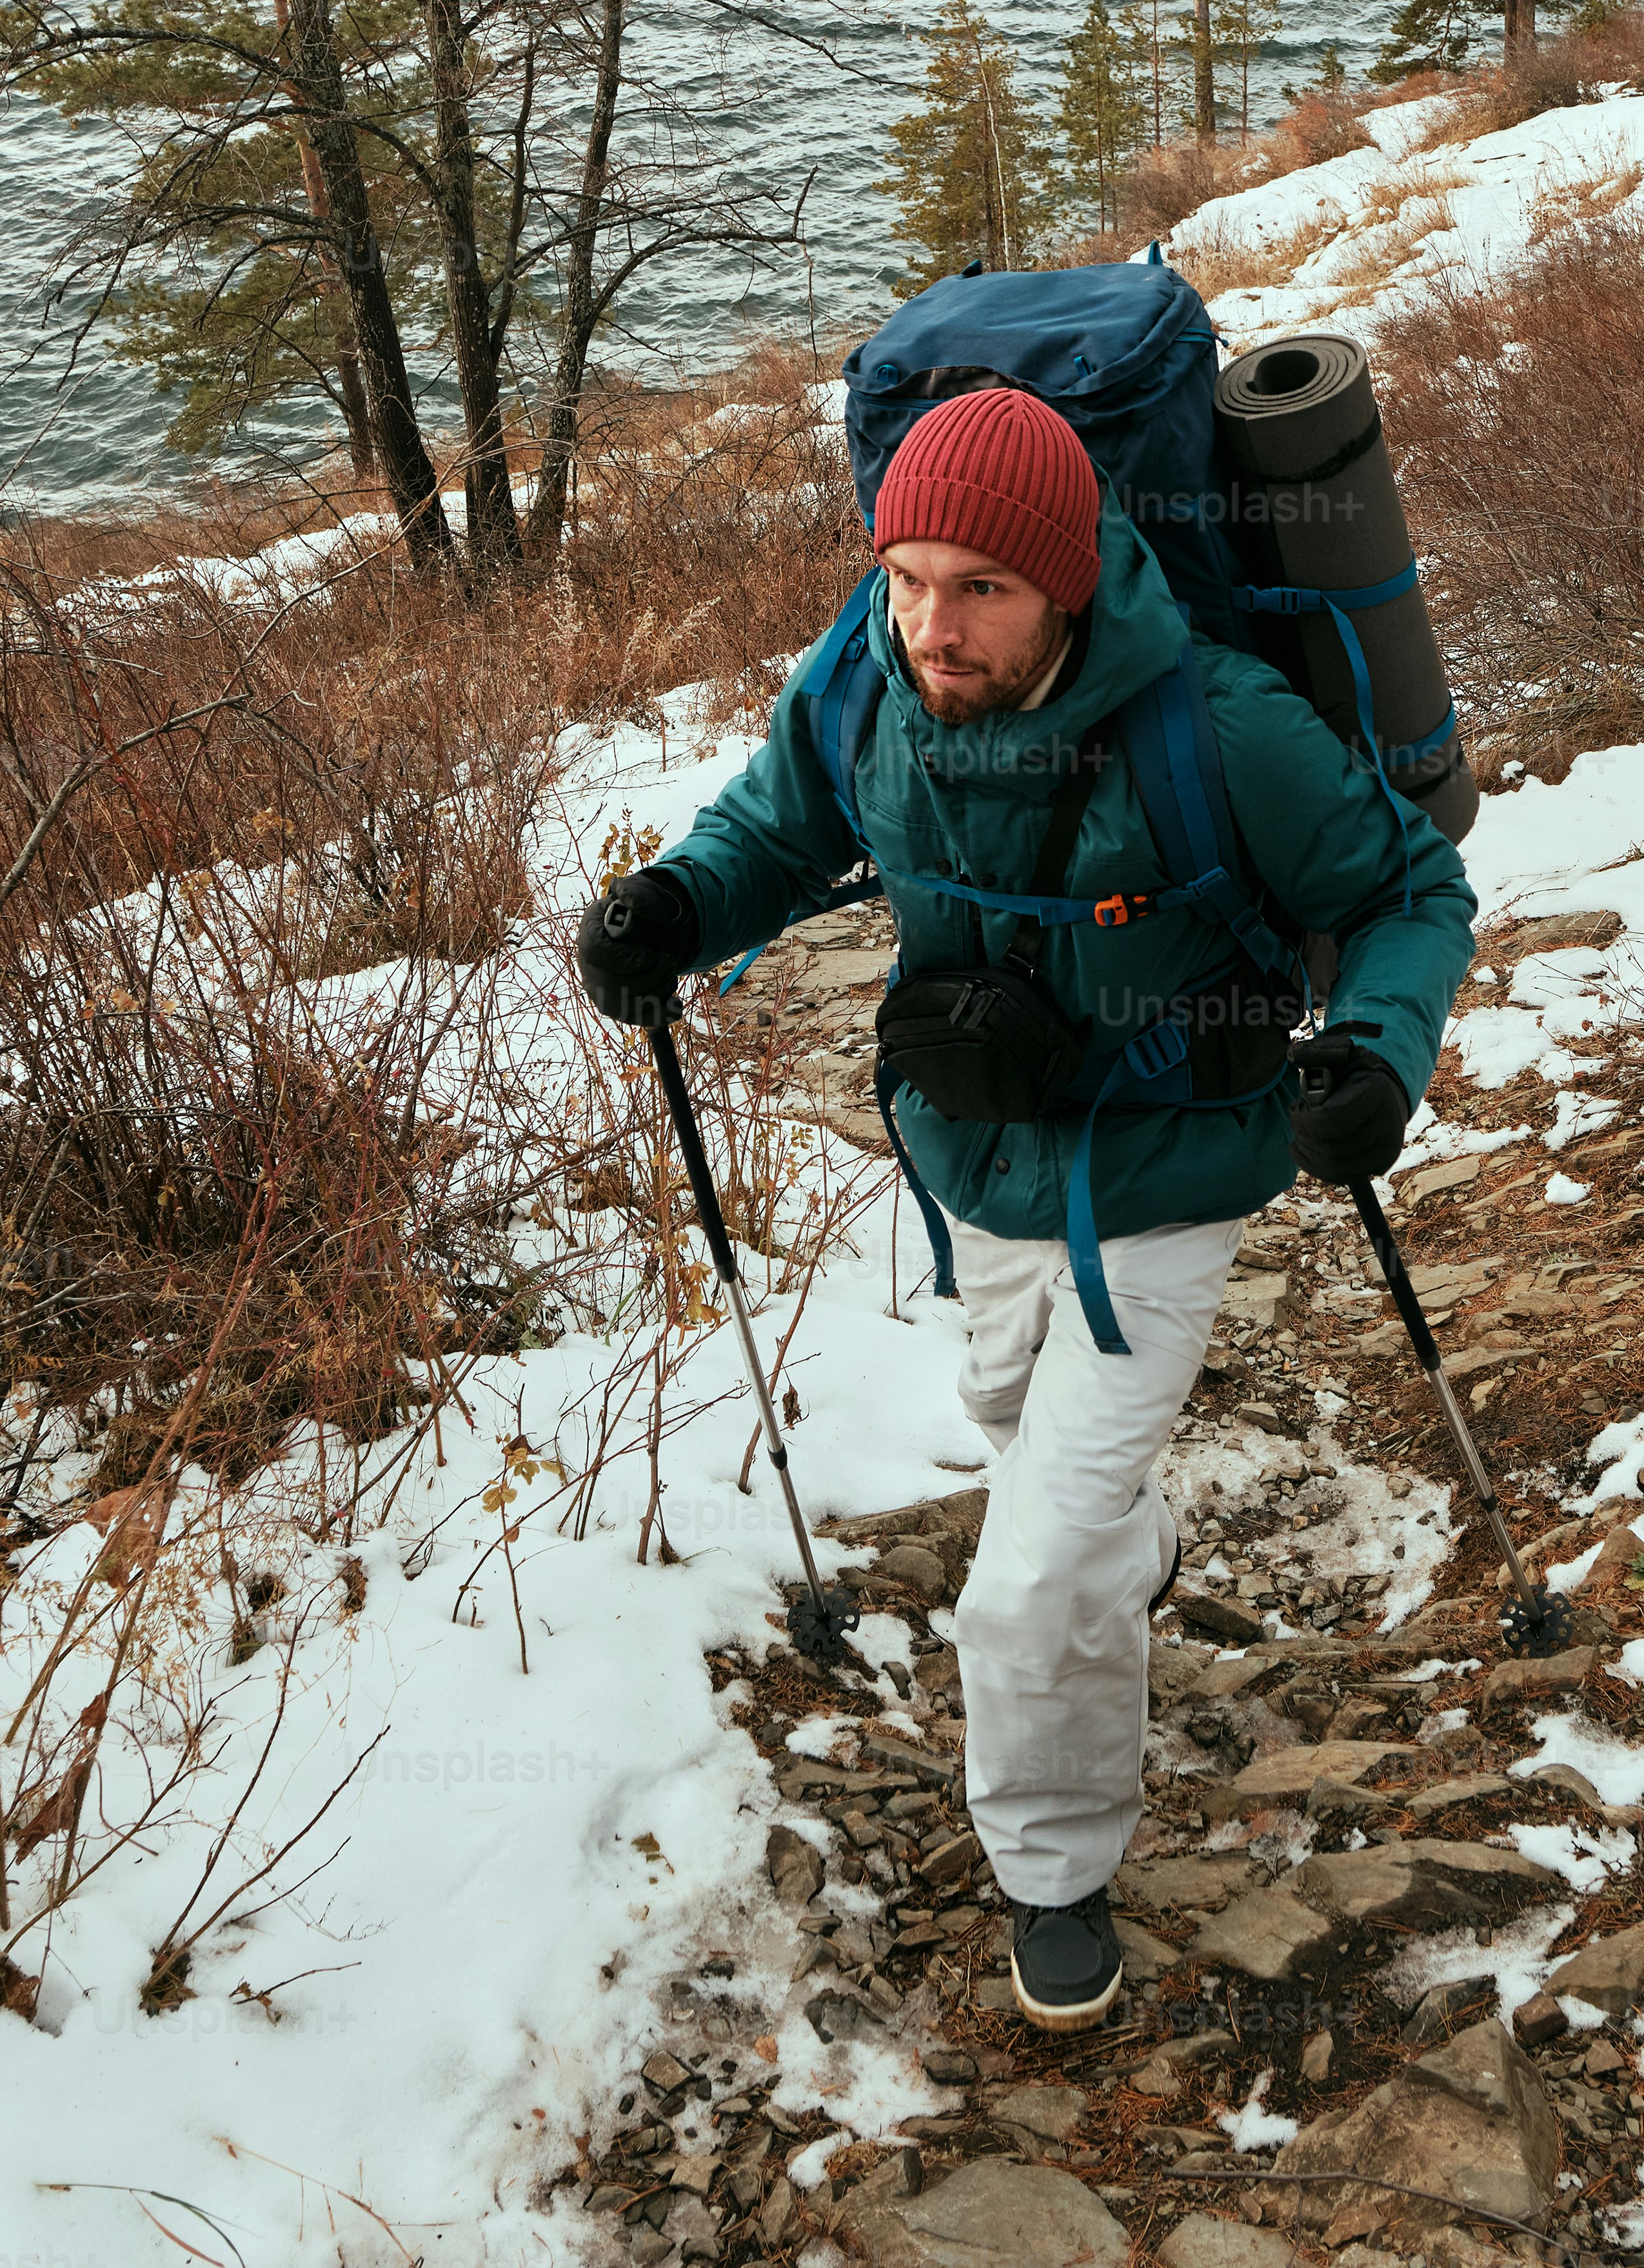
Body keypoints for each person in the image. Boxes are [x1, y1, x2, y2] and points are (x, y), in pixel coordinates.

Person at [575, 385, 1476, 2031]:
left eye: (978, 582)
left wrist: (1374, 1052)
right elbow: (772, 830)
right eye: (907, 573)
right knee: (1014, 1421)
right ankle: (1125, 1549)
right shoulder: (867, 679)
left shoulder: (1217, 724)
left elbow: (1408, 887)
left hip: (1166, 1171)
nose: (932, 620)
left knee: (1024, 1572)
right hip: (970, 1156)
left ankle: (1051, 1868)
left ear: (1065, 575)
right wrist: (674, 905)